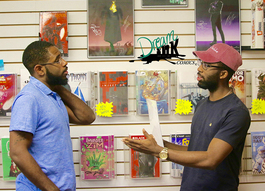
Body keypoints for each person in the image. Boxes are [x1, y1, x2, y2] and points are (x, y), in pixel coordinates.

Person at [123, 43, 251, 190]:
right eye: (201, 63)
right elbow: (195, 150)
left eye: (207, 66)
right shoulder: (202, 105)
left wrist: (159, 152)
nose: (199, 69)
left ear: (223, 74)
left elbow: (211, 159)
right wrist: (159, 144)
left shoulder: (236, 112)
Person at [9, 41, 95, 191]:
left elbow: (87, 117)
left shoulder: (51, 96)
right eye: (57, 60)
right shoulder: (29, 98)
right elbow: (17, 152)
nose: (64, 63)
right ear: (40, 69)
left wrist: (57, 87)